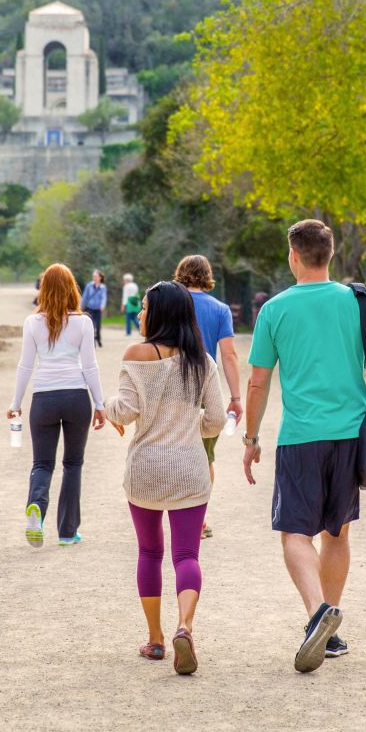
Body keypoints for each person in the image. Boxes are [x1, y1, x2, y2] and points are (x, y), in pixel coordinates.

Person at [242, 220, 366, 673]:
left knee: (295, 531)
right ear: (329, 255)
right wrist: (360, 361)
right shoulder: (358, 300)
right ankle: (329, 634)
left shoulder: (275, 310)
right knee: (337, 532)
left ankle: (318, 614)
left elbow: (258, 383)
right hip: (351, 436)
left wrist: (251, 439)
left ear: (293, 256)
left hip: (301, 435)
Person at [104, 281, 226, 674]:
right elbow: (216, 421)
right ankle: (185, 627)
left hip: (145, 470)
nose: (139, 314)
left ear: (158, 313)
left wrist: (106, 407)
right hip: (190, 468)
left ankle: (155, 640)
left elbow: (124, 411)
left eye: (143, 307)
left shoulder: (136, 355)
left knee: (150, 553)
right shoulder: (202, 361)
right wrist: (192, 432)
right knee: (187, 555)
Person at [8, 264, 107, 548]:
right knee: (73, 464)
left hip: (44, 399)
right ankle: (67, 532)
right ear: (72, 289)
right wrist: (99, 404)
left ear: (44, 290)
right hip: (76, 397)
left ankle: (36, 509)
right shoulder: (83, 323)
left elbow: (25, 365)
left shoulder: (32, 323)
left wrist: (16, 403)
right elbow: (90, 366)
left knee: (42, 463)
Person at [173, 254, 243, 540]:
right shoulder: (220, 309)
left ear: (180, 274)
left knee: (171, 448)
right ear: (207, 276)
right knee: (205, 457)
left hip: (171, 385)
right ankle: (198, 519)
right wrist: (236, 397)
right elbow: (229, 354)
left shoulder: (169, 302)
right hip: (204, 386)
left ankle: (173, 510)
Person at [81, 270, 108, 347]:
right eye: (94, 276)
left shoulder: (103, 287)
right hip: (90, 308)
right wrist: (81, 306)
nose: (94, 278)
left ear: (100, 278)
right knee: (92, 325)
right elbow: (85, 297)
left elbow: (104, 297)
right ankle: (93, 342)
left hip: (98, 309)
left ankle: (98, 339)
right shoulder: (89, 285)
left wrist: (103, 305)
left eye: (96, 276)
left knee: (98, 326)